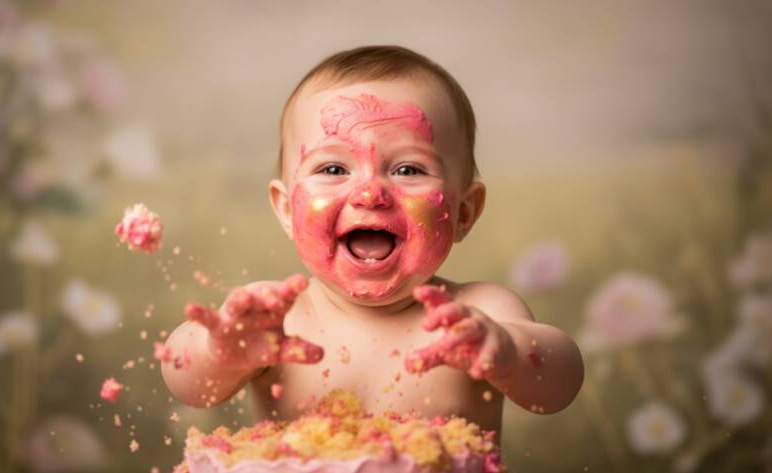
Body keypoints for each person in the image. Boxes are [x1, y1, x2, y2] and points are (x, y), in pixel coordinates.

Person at [162, 45, 584, 432]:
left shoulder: (477, 314)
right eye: (332, 170)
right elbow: (191, 387)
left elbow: (559, 386)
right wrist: (220, 353)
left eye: (408, 170)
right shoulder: (276, 320)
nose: (370, 193)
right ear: (287, 210)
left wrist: (508, 353)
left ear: (463, 212)